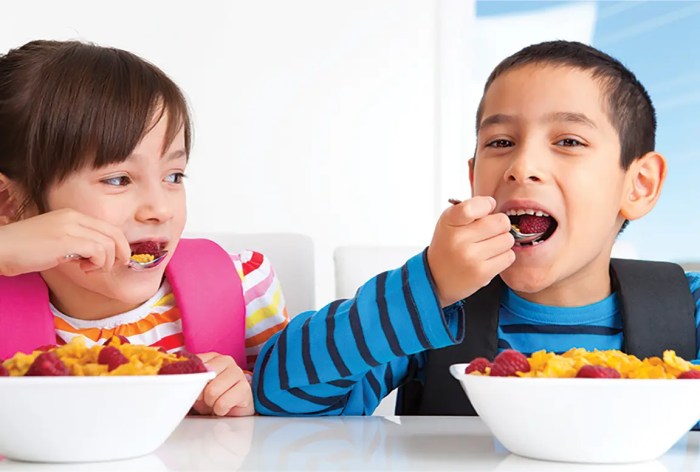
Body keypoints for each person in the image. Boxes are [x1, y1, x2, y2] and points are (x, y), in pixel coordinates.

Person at [253, 40, 700, 416]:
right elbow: (277, 395)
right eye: (500, 143)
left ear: (638, 185)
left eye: (568, 141)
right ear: (473, 180)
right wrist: (430, 286)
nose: (522, 167)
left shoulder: (689, 308)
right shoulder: (427, 313)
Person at [0, 40, 288, 417]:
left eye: (174, 175)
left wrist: (255, 396)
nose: (160, 209)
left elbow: (312, 414)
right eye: (118, 179)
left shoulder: (242, 285)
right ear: (8, 202)